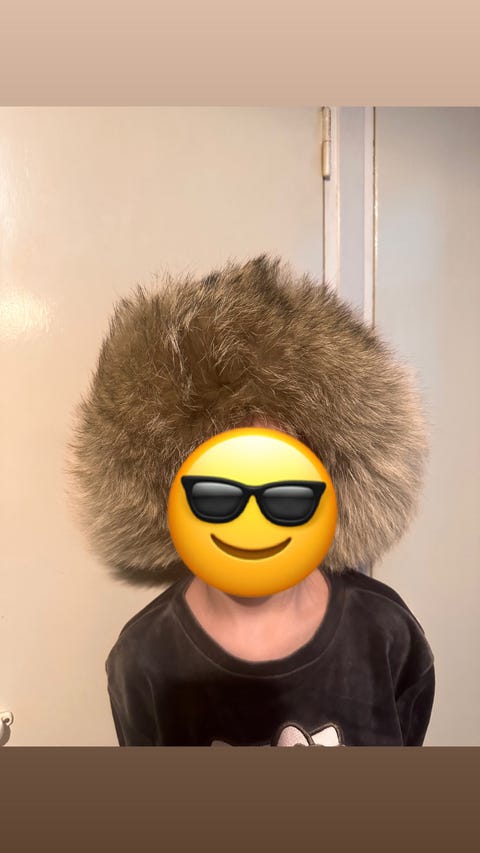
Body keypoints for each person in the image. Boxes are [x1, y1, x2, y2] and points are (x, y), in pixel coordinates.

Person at [66, 255, 435, 746]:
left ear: (331, 485)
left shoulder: (386, 634)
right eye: (218, 494)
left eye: (287, 495)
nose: (253, 521)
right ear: (168, 493)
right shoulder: (143, 659)